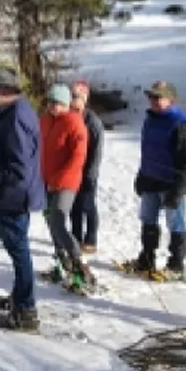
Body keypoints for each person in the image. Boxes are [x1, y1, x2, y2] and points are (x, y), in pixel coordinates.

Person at [0, 69, 45, 332]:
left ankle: (26, 311)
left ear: (4, 91)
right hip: (12, 196)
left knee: (19, 252)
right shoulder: (14, 112)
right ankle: (20, 299)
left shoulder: (16, 118)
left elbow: (19, 169)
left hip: (14, 197)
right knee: (18, 251)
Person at [132, 81, 186, 276]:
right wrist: (141, 175)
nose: (153, 100)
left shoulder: (180, 123)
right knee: (147, 218)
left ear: (170, 99)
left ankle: (176, 263)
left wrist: (178, 189)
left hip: (172, 182)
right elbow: (147, 151)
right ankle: (147, 256)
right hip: (151, 178)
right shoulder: (150, 119)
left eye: (158, 97)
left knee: (175, 222)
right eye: (151, 97)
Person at [39, 84, 91, 286]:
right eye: (51, 102)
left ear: (67, 104)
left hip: (66, 181)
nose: (54, 107)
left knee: (58, 220)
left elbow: (78, 157)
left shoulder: (74, 122)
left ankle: (79, 261)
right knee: (50, 222)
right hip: (45, 180)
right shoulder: (44, 121)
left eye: (59, 103)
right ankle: (63, 262)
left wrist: (59, 180)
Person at [69, 80, 106, 254]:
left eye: (77, 97)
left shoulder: (93, 123)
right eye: (72, 97)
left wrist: (90, 174)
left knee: (88, 204)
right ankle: (75, 236)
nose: (74, 101)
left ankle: (91, 238)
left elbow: (96, 152)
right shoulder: (68, 118)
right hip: (72, 170)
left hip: (88, 170)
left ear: (84, 99)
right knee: (74, 205)